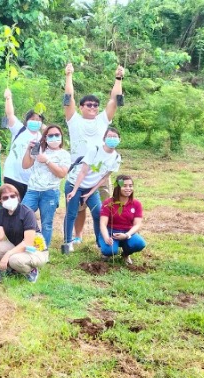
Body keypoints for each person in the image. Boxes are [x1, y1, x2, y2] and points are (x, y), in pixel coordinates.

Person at [64, 62, 124, 245]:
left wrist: (119, 78)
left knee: (104, 208)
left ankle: (106, 237)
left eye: (96, 105)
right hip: (79, 173)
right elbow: (69, 97)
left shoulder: (102, 120)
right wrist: (68, 75)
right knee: (77, 210)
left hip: (100, 173)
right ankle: (78, 235)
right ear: (81, 107)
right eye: (89, 104)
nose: (93, 107)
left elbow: (114, 100)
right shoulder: (74, 120)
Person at [63, 127, 123, 253]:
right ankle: (67, 243)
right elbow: (83, 172)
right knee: (72, 213)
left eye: (115, 137)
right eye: (109, 136)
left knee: (98, 214)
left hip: (91, 187)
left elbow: (104, 178)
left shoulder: (116, 157)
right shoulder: (95, 150)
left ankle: (100, 242)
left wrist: (90, 193)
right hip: (75, 183)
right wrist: (74, 191)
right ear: (104, 139)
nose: (112, 139)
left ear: (119, 139)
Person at [0, 184, 48, 283]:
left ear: (18, 197)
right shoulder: (1, 213)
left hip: (35, 251)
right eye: (5, 197)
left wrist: (8, 254)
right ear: (0, 201)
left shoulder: (27, 213)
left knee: (14, 259)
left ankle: (31, 271)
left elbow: (28, 243)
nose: (10, 199)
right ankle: (14, 269)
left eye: (12, 196)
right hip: (18, 249)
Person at [21, 125, 71, 249]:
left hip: (50, 192)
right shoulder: (39, 150)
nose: (54, 137)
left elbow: (62, 173)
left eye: (57, 135)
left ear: (61, 137)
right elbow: (25, 165)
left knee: (46, 223)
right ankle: (23, 244)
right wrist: (28, 150)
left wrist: (47, 161)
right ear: (45, 137)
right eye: (50, 135)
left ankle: (43, 249)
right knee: (22, 215)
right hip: (33, 190)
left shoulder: (64, 154)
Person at [2, 88, 45, 197]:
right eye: (33, 119)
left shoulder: (41, 137)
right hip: (12, 176)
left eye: (38, 120)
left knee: (24, 209)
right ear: (27, 120)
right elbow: (10, 114)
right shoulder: (19, 129)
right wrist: (8, 98)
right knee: (10, 203)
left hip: (28, 180)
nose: (36, 122)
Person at [99, 175, 146, 263]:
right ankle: (107, 254)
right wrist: (106, 237)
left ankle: (125, 254)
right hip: (110, 232)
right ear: (117, 187)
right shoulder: (108, 203)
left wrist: (127, 235)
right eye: (124, 186)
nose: (128, 188)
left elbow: (137, 224)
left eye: (130, 186)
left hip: (127, 233)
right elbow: (102, 224)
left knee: (140, 244)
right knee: (110, 250)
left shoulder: (136, 204)